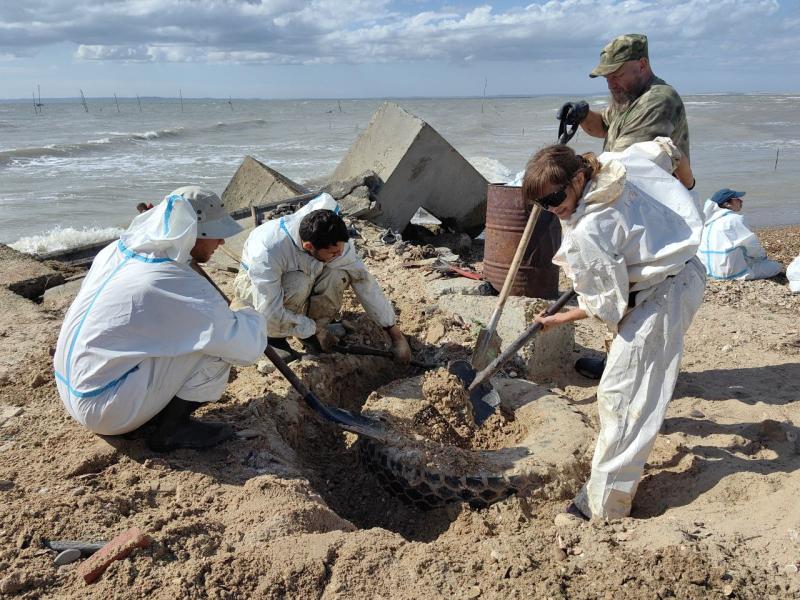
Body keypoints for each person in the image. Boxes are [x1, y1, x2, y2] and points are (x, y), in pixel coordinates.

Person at [523, 140, 705, 520]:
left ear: (577, 177)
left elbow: (607, 305)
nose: (553, 207)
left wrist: (558, 319)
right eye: (542, 203)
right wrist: (686, 185)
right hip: (683, 270)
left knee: (622, 396)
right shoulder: (615, 161)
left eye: (557, 196)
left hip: (662, 295)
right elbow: (668, 149)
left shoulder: (591, 229)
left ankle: (604, 505)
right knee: (633, 385)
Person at [54, 186, 268, 452]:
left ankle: (149, 415)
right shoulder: (177, 281)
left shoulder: (117, 250)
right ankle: (173, 429)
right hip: (106, 409)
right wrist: (247, 313)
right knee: (216, 346)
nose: (222, 243)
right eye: (215, 235)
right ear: (193, 233)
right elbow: (246, 350)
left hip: (73, 388)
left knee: (199, 332)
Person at [557, 33, 695, 379]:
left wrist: (575, 180)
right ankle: (619, 360)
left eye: (616, 73)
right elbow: (605, 127)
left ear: (642, 65)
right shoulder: (626, 96)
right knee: (620, 282)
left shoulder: (659, 100)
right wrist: (584, 114)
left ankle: (631, 367)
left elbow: (620, 161)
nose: (610, 81)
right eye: (606, 75)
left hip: (651, 208)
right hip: (630, 202)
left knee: (634, 289)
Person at [233, 193, 411, 363]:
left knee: (338, 274)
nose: (339, 254)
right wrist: (313, 329)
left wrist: (395, 335)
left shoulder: (333, 241)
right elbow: (269, 312)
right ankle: (274, 338)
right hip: (256, 289)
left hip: (301, 281)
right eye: (334, 253)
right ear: (309, 246)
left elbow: (364, 282)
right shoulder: (268, 250)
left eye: (341, 250)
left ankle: (312, 334)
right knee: (298, 283)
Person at [697, 188, 782, 280]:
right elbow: (752, 245)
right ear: (727, 204)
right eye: (737, 199)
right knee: (776, 266)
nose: (741, 201)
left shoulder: (707, 222)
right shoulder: (734, 219)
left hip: (709, 271)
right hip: (729, 272)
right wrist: (762, 258)